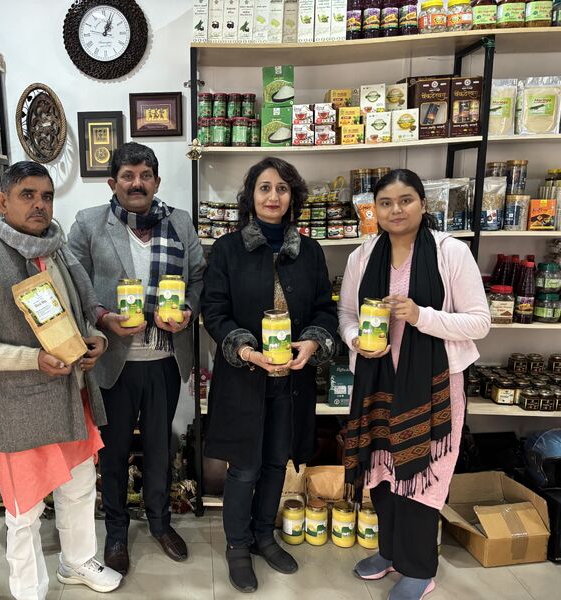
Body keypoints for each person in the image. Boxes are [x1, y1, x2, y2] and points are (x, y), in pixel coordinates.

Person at [0, 161, 122, 600]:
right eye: (27, 195)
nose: (40, 204)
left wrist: (95, 339)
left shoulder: (59, 253)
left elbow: (82, 315)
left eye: (46, 196)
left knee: (80, 488)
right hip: (22, 406)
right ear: (1, 202)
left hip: (73, 397)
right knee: (24, 508)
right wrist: (31, 359)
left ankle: (77, 562)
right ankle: (28, 590)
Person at [338, 169, 490, 600]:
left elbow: (479, 322)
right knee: (382, 470)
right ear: (375, 210)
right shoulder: (363, 256)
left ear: (423, 204)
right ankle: (390, 553)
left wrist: (420, 315)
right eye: (385, 203)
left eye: (406, 200)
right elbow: (346, 315)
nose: (396, 210)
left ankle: (420, 569)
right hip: (378, 381)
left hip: (433, 385)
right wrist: (355, 340)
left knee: (424, 475)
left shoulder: (450, 252)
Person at [201, 157, 338, 593]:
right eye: (264, 188)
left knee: (279, 460)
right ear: (250, 196)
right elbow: (214, 311)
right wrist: (245, 350)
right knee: (245, 466)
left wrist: (312, 342)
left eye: (282, 188)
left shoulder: (310, 251)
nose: (273, 196)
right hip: (244, 377)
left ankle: (264, 535)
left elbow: (325, 309)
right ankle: (238, 546)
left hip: (292, 380)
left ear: (293, 196)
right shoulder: (228, 249)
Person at [68, 142, 206, 576]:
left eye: (145, 175)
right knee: (113, 452)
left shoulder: (179, 222)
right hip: (114, 362)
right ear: (113, 182)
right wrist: (102, 318)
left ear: (157, 181)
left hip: (165, 358)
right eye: (128, 176)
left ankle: (161, 523)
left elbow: (198, 278)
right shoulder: (89, 223)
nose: (137, 183)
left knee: (160, 446)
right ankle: (115, 532)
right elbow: (73, 283)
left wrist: (188, 312)